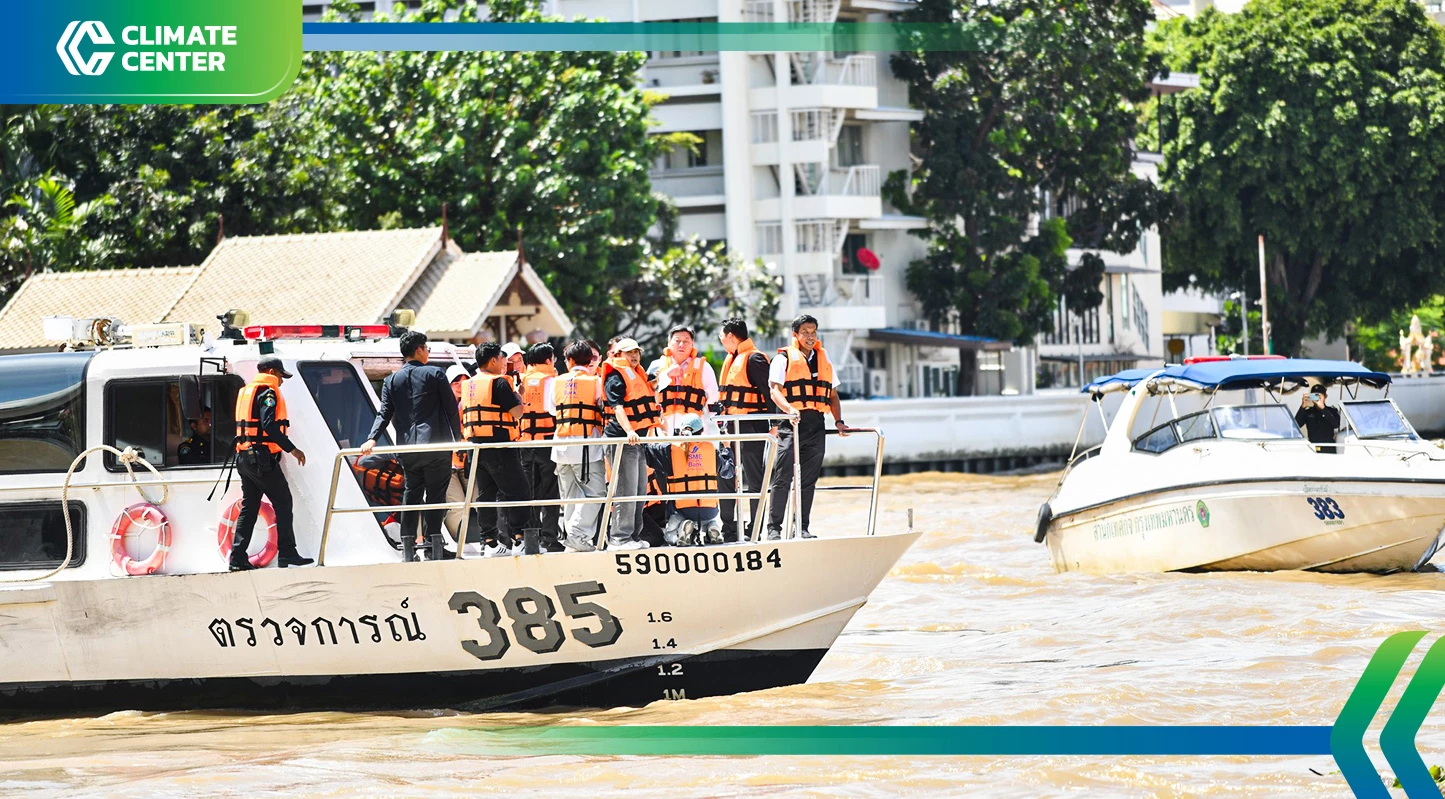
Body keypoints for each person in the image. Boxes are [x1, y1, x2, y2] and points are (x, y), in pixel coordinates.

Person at [361, 331, 462, 562]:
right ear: (419, 349)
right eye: (427, 348)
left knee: (411, 495)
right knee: (436, 496)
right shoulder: (435, 373)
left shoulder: (391, 380)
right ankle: (433, 547)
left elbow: (384, 413)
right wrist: (456, 441)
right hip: (435, 447)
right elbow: (450, 410)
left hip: (408, 449)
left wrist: (372, 438)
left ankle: (408, 549)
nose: (428, 352)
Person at [765, 314, 851, 540]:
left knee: (808, 480)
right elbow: (775, 391)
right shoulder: (782, 359)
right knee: (783, 478)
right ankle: (774, 529)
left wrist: (839, 422)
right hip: (790, 424)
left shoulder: (824, 358)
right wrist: (789, 409)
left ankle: (801, 528)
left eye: (813, 332)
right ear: (795, 334)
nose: (810, 336)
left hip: (816, 426)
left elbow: (832, 395)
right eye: (805, 332)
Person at [230, 356, 312, 571]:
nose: (281, 381)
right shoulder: (268, 392)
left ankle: (237, 558)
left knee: (249, 508)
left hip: (244, 457)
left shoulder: (246, 391)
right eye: (281, 376)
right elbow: (269, 425)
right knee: (283, 502)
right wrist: (292, 449)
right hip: (260, 459)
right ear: (271, 372)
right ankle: (287, 552)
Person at [460, 342, 532, 556]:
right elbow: (518, 412)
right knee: (519, 490)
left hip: (476, 448)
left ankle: (489, 542)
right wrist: (518, 394)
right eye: (502, 359)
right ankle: (519, 539)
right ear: (493, 360)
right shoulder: (499, 382)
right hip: (499, 446)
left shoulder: (469, 384)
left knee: (486, 494)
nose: (504, 363)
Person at [717, 318, 774, 540]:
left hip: (751, 424)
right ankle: (729, 527)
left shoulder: (754, 358)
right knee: (725, 473)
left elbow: (770, 393)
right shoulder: (732, 359)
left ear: (730, 336)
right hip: (730, 426)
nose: (721, 340)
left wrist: (775, 425)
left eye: (721, 336)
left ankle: (755, 528)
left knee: (754, 477)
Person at [599, 338, 659, 551]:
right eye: (629, 352)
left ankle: (633, 536)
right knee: (626, 490)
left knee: (639, 490)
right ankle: (619, 538)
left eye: (636, 352)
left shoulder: (637, 373)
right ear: (618, 355)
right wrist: (629, 430)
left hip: (638, 441)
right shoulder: (615, 376)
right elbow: (618, 407)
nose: (634, 356)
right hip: (622, 440)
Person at [549, 340, 607, 552]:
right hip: (587, 447)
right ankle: (577, 535)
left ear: (570, 360)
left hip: (560, 448)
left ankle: (573, 541)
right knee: (596, 493)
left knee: (570, 496)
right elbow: (602, 406)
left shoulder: (556, 382)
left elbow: (552, 409)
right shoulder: (596, 382)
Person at [643, 413, 734, 546]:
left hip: (682, 510)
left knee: (669, 535)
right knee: (708, 518)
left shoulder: (671, 450)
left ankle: (682, 527)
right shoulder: (711, 450)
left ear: (681, 431)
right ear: (702, 431)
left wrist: (663, 431)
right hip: (709, 510)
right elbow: (728, 472)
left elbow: (647, 452)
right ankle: (712, 527)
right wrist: (727, 447)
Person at [518, 343, 562, 552]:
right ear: (548, 360)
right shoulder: (553, 382)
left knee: (529, 491)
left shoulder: (521, 381)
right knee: (551, 491)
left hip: (526, 443)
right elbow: (556, 411)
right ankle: (550, 537)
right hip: (547, 442)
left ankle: (531, 537)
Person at [647, 325, 719, 433]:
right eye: (677, 341)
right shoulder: (656, 365)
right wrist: (667, 374)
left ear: (692, 344)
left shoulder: (704, 367)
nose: (681, 345)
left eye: (686, 341)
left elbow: (713, 399)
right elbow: (648, 392)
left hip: (694, 429)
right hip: (663, 429)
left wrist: (715, 429)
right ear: (669, 343)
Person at [1296, 389, 1342, 453]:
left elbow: (1336, 424)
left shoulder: (1332, 411)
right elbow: (1296, 426)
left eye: (1319, 396)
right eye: (1314, 396)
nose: (1317, 398)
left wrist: (1323, 409)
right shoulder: (1308, 412)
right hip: (1313, 448)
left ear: (1325, 396)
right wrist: (1302, 407)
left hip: (1328, 448)